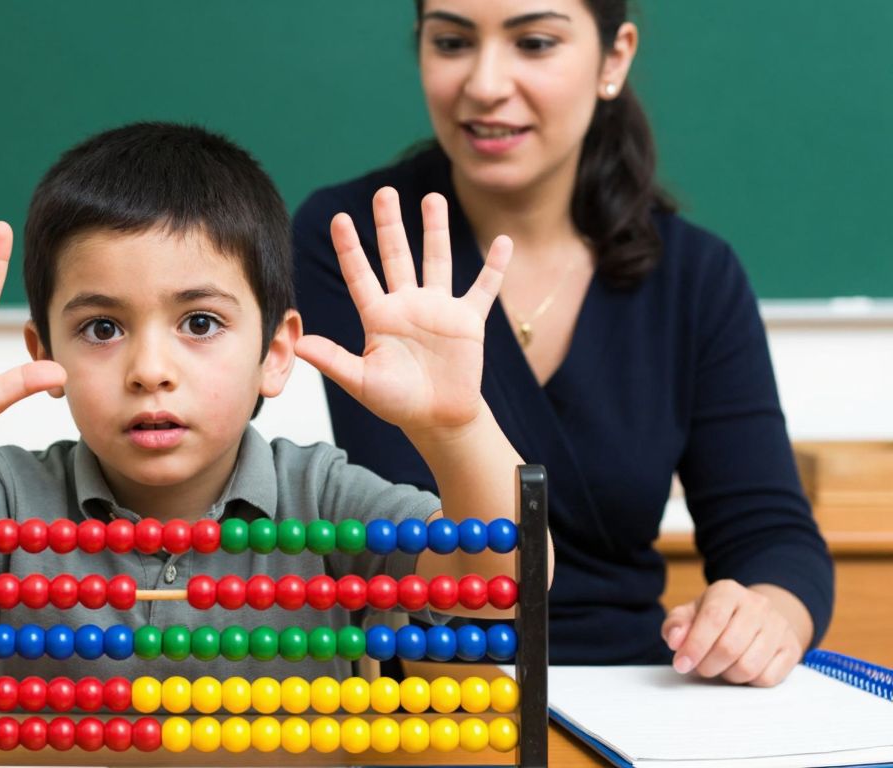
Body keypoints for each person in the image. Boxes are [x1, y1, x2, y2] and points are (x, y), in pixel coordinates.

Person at [0, 121, 543, 684]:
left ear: (274, 354)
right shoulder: (10, 502)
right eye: (102, 328)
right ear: (44, 354)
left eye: (201, 324)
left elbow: (506, 584)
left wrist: (456, 424)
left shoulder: (323, 496)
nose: (151, 369)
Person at [293, 0, 832, 686]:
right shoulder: (358, 241)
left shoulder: (696, 275)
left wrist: (765, 613)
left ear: (614, 58)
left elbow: (772, 535)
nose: (485, 84)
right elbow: (414, 540)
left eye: (536, 42)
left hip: (639, 695)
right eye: (453, 41)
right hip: (438, 696)